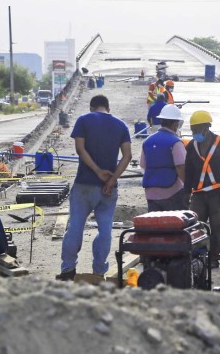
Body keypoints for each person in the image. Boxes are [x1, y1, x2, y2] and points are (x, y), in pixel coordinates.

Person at [57, 95, 132, 281]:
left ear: (92, 107)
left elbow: (80, 149)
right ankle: (99, 271)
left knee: (75, 227)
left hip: (84, 185)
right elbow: (127, 156)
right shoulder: (121, 126)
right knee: (105, 230)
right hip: (108, 189)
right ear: (108, 107)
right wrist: (111, 179)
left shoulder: (84, 120)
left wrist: (98, 171)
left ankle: (68, 270)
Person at [184, 110, 220, 269]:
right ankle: (198, 255)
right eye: (192, 131)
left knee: (216, 226)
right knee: (195, 226)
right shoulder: (192, 146)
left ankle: (214, 258)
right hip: (199, 194)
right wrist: (186, 192)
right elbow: (188, 170)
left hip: (217, 194)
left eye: (197, 130)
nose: (194, 134)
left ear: (206, 128)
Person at [140, 104, 187, 211]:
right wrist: (188, 187)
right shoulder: (175, 142)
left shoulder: (147, 141)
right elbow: (180, 167)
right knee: (175, 224)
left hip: (150, 192)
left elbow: (143, 165)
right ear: (175, 123)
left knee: (155, 224)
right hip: (172, 191)